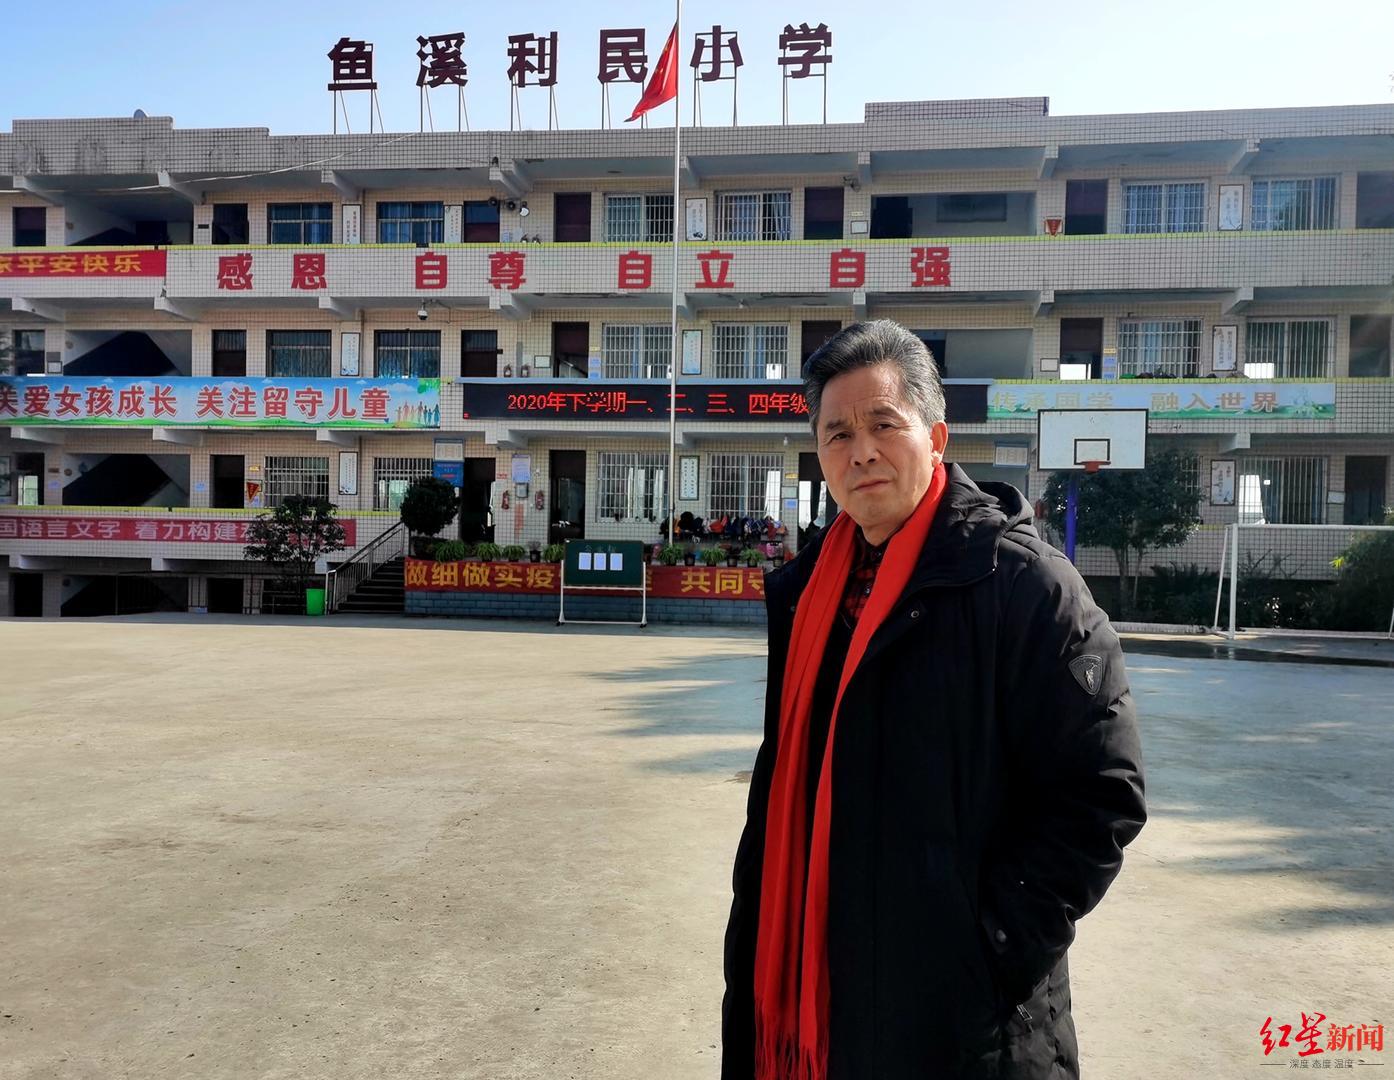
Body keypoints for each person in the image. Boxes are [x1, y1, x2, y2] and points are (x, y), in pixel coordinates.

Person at [721, 320, 1147, 1080]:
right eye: (837, 434)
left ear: (937, 437)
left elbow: (1099, 793)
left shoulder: (1025, 586)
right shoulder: (807, 593)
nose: (861, 452)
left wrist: (990, 946)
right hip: (819, 980)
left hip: (966, 1021)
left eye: (884, 425)